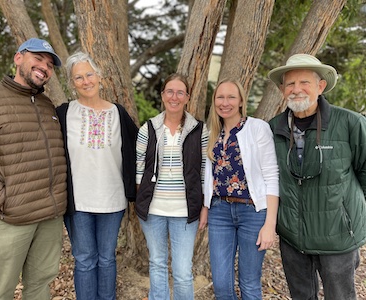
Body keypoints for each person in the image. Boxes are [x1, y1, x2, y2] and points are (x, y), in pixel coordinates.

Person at [0, 38, 67, 300]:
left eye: (49, 64)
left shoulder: (47, 106)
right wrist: (3, 199)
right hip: (10, 219)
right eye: (38, 58)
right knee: (0, 291)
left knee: (40, 286)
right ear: (18, 58)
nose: (44, 67)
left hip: (49, 218)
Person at [268, 53, 366, 300]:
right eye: (290, 84)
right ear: (282, 89)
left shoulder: (349, 123)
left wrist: (349, 214)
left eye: (305, 83)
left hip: (337, 236)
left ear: (320, 86)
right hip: (293, 236)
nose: (296, 90)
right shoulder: (274, 128)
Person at [56, 51, 138, 300]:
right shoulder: (63, 113)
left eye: (89, 74)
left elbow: (140, 150)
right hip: (78, 202)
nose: (86, 81)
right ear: (72, 84)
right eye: (78, 77)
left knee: (106, 258)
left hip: (112, 200)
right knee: (84, 260)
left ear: (99, 76)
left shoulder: (118, 113)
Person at [203, 79, 279, 299]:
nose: (224, 102)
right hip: (220, 212)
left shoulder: (257, 128)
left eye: (231, 97)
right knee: (221, 283)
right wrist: (206, 207)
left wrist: (269, 225)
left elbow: (272, 176)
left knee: (249, 282)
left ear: (241, 102)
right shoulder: (211, 134)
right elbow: (208, 177)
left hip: (253, 213)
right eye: (220, 97)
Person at [135, 73, 209, 300]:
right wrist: (143, 200)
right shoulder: (148, 129)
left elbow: (205, 171)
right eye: (169, 91)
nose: (174, 97)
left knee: (183, 271)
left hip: (186, 212)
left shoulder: (199, 130)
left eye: (180, 92)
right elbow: (139, 169)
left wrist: (204, 206)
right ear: (162, 95)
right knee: (157, 263)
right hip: (153, 211)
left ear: (187, 97)